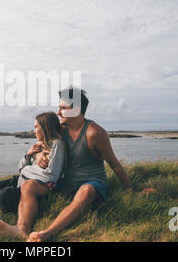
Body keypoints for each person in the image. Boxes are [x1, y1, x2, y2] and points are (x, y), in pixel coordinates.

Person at [25, 87, 133, 242]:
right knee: (29, 185)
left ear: (76, 110)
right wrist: (38, 154)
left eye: (63, 108)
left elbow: (115, 165)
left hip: (93, 184)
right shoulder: (61, 129)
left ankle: (46, 234)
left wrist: (131, 190)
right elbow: (41, 144)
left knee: (86, 190)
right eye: (59, 108)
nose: (58, 112)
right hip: (67, 184)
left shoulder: (94, 133)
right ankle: (21, 230)